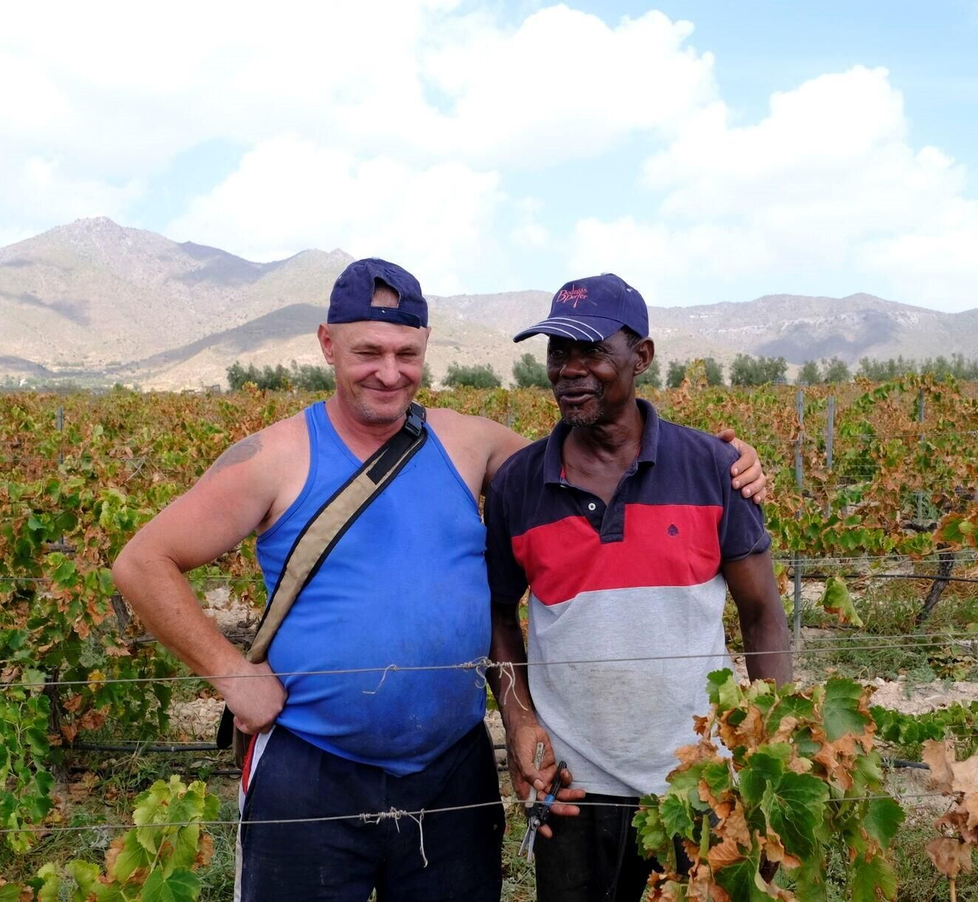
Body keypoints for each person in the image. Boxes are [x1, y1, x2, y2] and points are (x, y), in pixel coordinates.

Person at [112, 259, 770, 902]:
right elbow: (142, 563)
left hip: (450, 774)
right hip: (311, 765)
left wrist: (728, 462)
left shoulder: (474, 445)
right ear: (327, 345)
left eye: (407, 353)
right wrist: (230, 674)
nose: (389, 372)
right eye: (369, 350)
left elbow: (598, 456)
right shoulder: (272, 458)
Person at [485, 273, 793, 902]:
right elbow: (496, 613)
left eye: (592, 351)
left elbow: (763, 615)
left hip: (699, 783)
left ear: (641, 357)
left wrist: (769, 748)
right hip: (571, 788)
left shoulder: (714, 468)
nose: (571, 370)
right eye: (557, 353)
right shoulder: (518, 484)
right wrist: (519, 719)